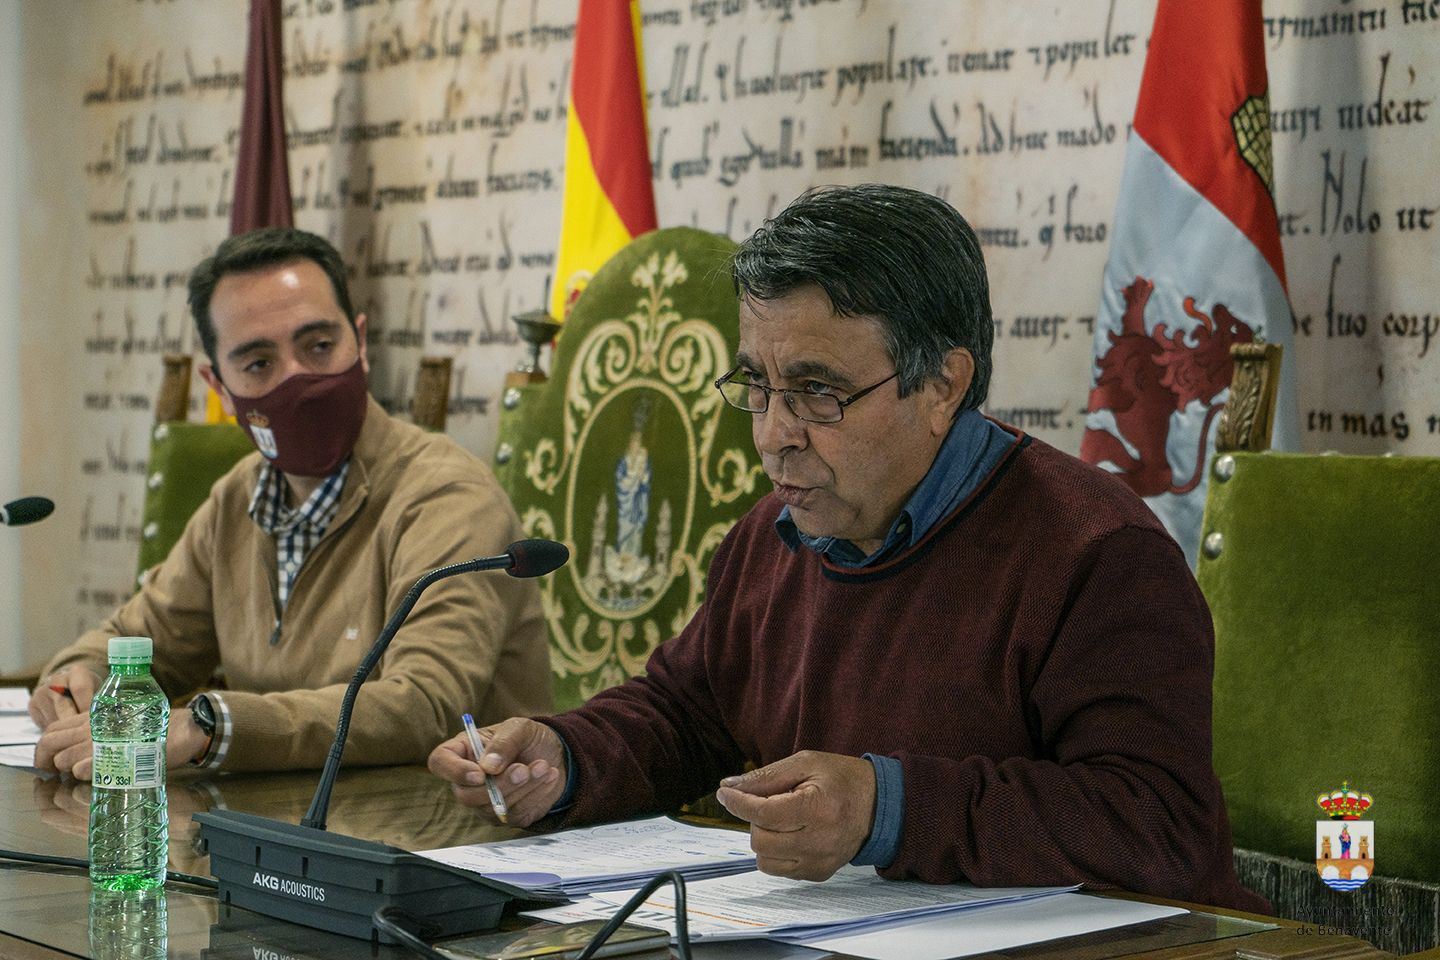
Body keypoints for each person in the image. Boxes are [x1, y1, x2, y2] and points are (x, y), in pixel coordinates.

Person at [428, 184, 1266, 911]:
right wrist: (566, 756)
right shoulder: (780, 532)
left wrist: (888, 809)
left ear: (943, 384)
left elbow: (1157, 823)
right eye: (756, 385)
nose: (773, 437)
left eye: (816, 392)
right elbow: (687, 715)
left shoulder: (1097, 554)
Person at [31, 228, 552, 778]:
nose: (298, 378)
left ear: (360, 342)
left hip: (438, 835)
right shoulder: (238, 497)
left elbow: (425, 704)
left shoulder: (448, 496)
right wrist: (74, 681)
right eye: (258, 363)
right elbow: (136, 639)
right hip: (277, 833)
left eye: (319, 346)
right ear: (220, 387)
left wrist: (214, 725)